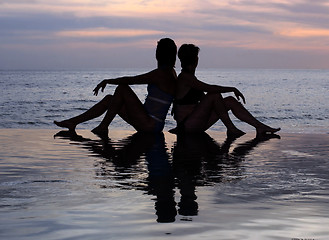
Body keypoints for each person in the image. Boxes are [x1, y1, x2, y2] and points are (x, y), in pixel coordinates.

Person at [54, 38, 177, 135]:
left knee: (122, 88)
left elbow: (131, 80)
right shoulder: (170, 73)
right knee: (109, 99)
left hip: (150, 124)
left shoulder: (161, 74)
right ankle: (73, 122)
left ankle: (103, 126)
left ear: (159, 54)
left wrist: (107, 81)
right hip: (148, 121)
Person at [171, 44, 280, 137]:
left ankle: (259, 126)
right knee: (214, 94)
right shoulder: (185, 78)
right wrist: (232, 89)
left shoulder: (191, 78)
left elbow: (207, 102)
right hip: (187, 126)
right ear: (195, 60)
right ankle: (231, 129)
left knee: (230, 101)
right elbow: (210, 89)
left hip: (197, 123)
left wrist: (223, 103)